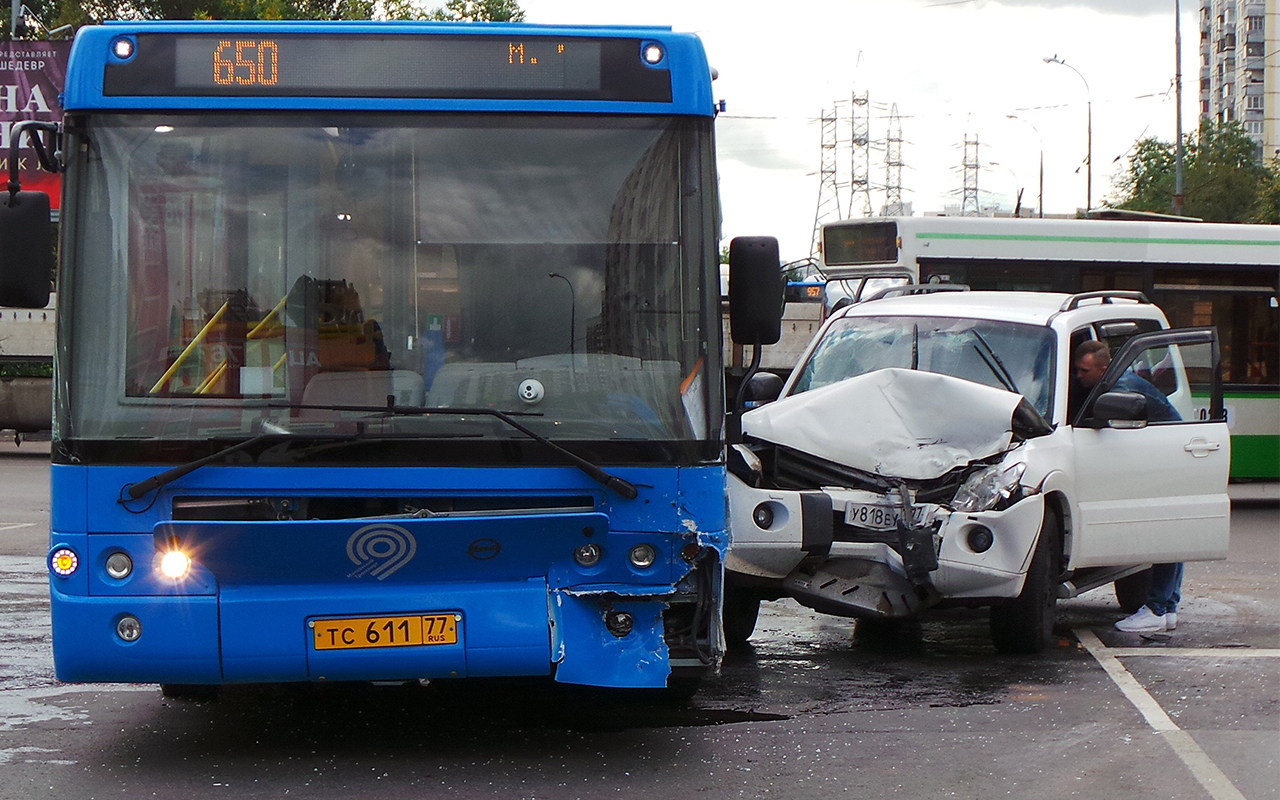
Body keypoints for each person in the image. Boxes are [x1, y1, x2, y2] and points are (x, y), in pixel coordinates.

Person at [1072, 339, 1183, 633]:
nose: (1078, 376)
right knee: (1172, 534)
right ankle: (1168, 607)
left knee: (1166, 535)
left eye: (1084, 371)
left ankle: (1157, 609)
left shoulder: (1120, 388)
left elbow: (1107, 427)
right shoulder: (1112, 381)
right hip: (1166, 454)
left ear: (1103, 368)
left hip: (1168, 458)